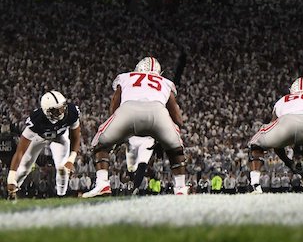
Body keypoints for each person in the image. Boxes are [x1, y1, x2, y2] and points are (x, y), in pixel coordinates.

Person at [83, 57, 189, 197]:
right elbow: (176, 115)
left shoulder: (126, 77)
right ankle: (180, 188)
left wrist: (117, 128)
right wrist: (169, 138)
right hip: (158, 112)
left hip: (128, 110)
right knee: (176, 150)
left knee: (100, 144)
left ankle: (102, 183)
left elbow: (115, 101)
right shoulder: (165, 82)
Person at [6, 91, 82, 199]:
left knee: (63, 169)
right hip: (39, 137)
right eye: (57, 110)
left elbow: (76, 137)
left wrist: (71, 160)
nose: (61, 112)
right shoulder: (36, 120)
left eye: (62, 107)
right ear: (47, 111)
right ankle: (12, 190)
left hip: (59, 137)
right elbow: (20, 151)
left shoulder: (72, 112)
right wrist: (11, 177)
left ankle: (61, 197)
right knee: (23, 169)